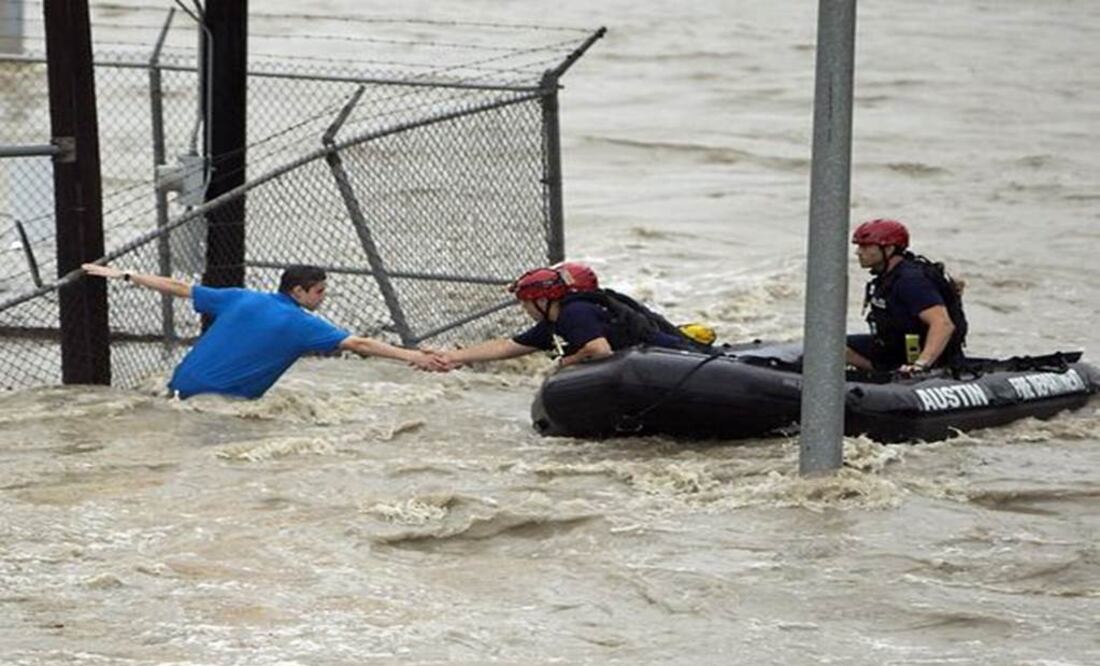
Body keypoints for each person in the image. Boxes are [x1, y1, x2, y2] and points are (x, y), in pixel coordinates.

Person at [81, 262, 447, 398]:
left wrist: (126, 274)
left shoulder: (240, 297)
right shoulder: (303, 325)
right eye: (318, 291)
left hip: (177, 389)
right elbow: (360, 343)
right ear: (299, 291)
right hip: (219, 405)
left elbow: (179, 288)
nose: (323, 297)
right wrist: (414, 356)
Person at [438, 262, 709, 369]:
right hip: (657, 364)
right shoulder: (554, 324)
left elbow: (598, 350)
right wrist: (452, 357)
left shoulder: (575, 312)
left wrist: (567, 362)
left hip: (673, 361)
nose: (525, 309)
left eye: (526, 303)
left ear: (543, 300)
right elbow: (505, 347)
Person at [844, 219, 968, 373]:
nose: (858, 252)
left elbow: (943, 324)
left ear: (888, 249)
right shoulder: (887, 277)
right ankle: (882, 373)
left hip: (925, 355)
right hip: (894, 346)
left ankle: (891, 375)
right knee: (832, 346)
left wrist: (920, 365)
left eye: (865, 246)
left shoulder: (911, 280)